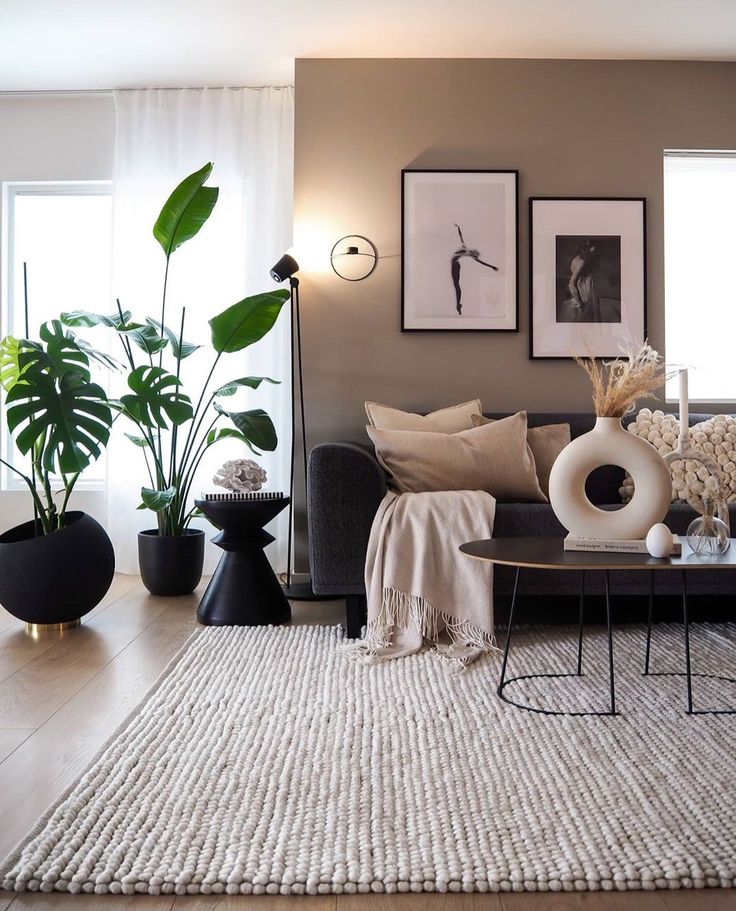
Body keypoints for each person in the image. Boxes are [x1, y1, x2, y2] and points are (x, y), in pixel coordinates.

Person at [451, 224, 499, 315]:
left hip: (456, 265)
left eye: (474, 253)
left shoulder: (468, 252)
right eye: (475, 253)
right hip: (455, 265)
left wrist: (492, 266)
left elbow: (482, 263)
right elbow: (460, 236)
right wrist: (459, 228)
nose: (474, 253)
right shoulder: (466, 248)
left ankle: (458, 304)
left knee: (457, 286)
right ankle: (458, 304)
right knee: (457, 286)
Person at [567, 239, 600, 322]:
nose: (594, 254)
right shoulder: (581, 262)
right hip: (585, 299)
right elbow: (571, 284)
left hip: (587, 296)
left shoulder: (579, 259)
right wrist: (580, 303)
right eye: (592, 252)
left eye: (594, 252)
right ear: (585, 250)